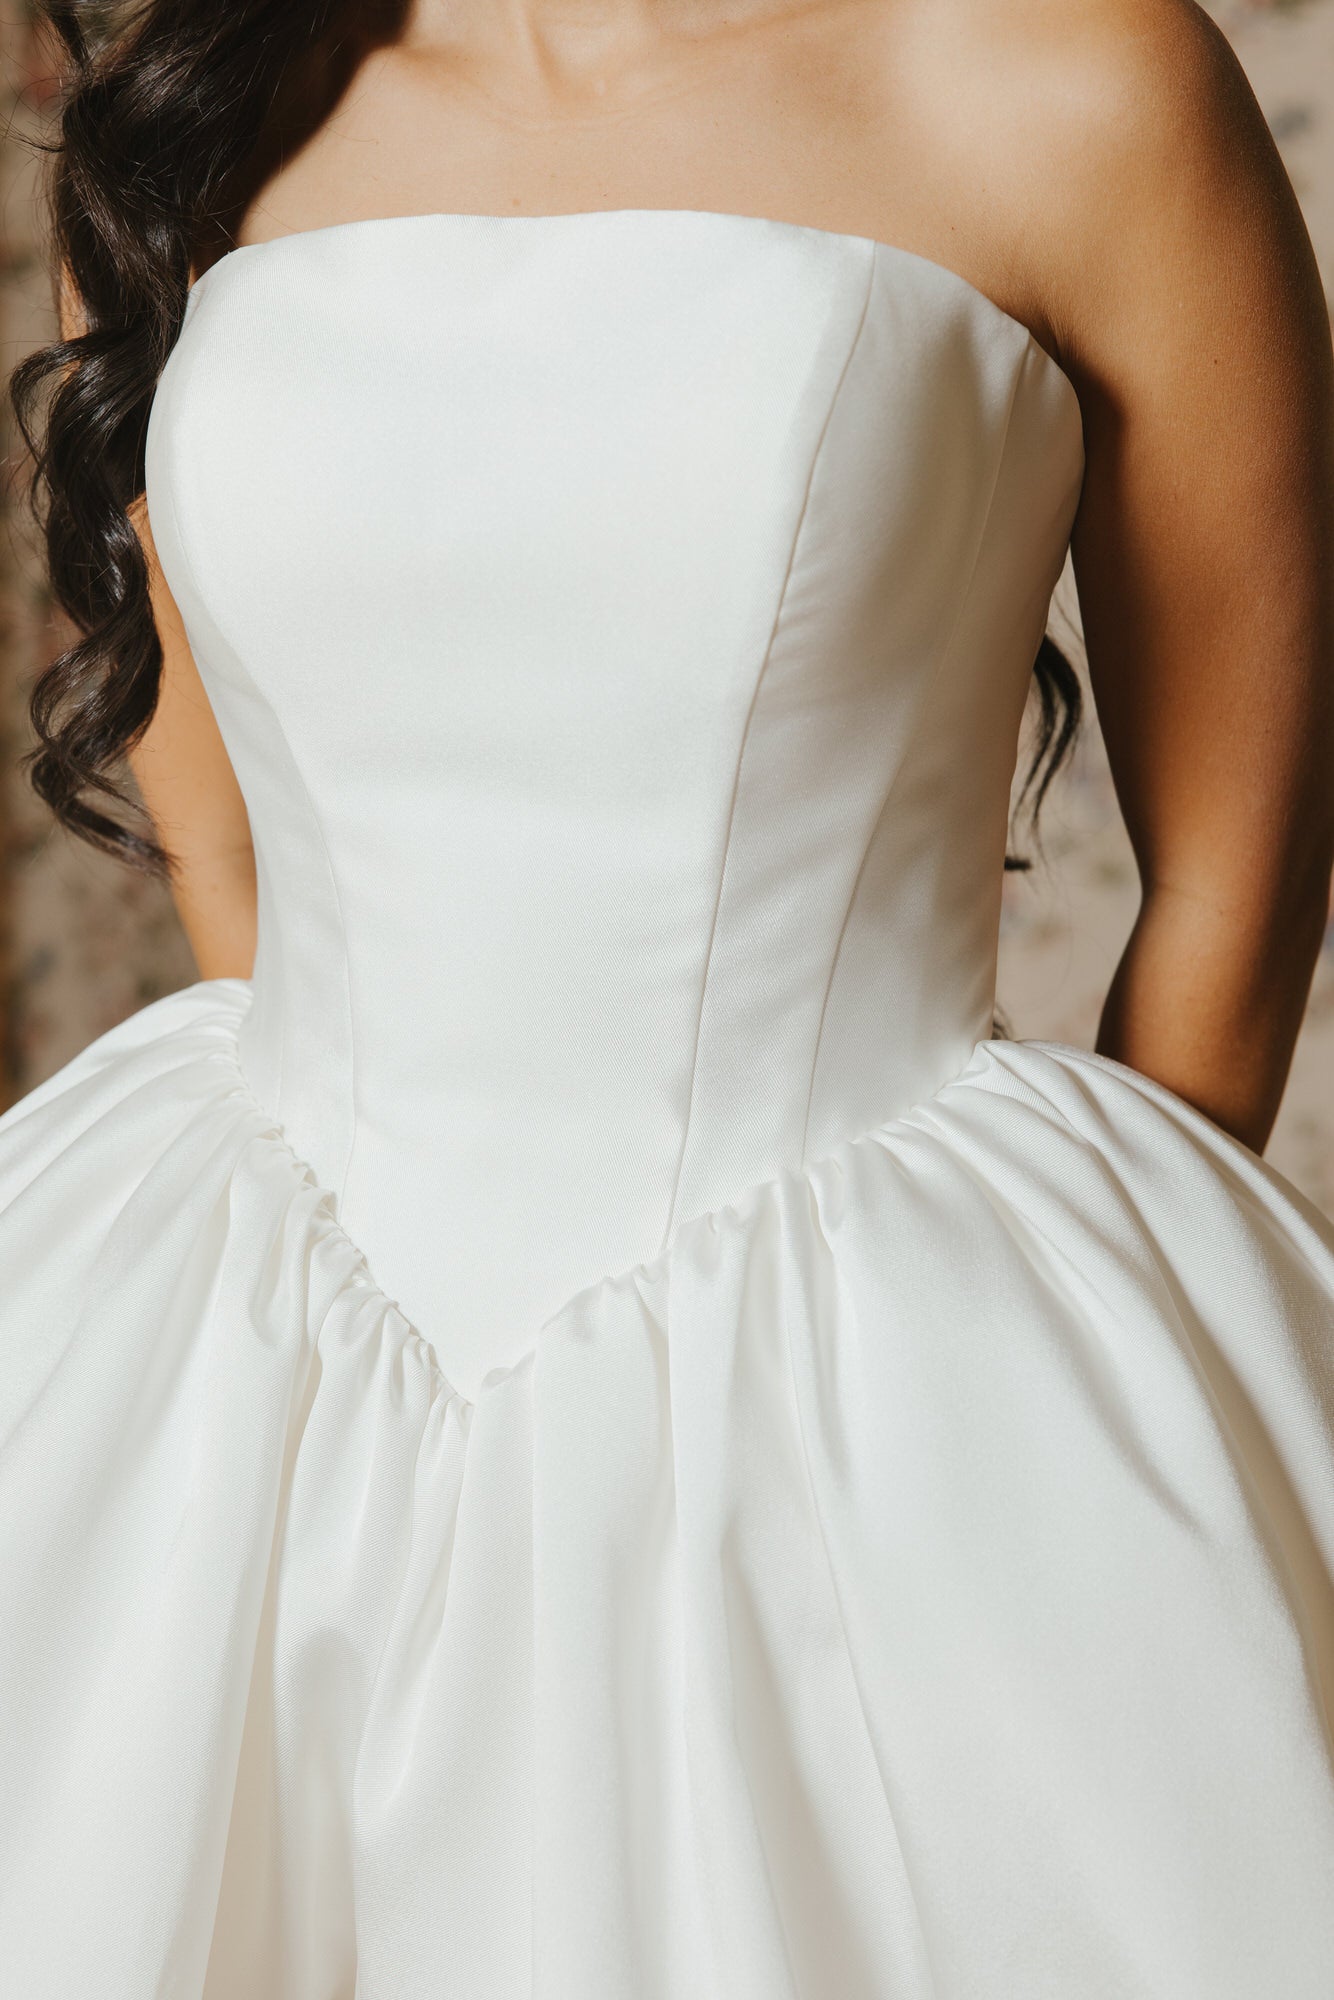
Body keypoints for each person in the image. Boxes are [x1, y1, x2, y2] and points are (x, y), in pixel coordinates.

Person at [3, 0, 1334, 1992]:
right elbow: (242, 869)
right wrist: (375, 1414)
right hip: (250, 1365)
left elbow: (1233, 891)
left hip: (882, 1420)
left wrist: (1025, 1419)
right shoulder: (193, 124)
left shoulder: (1076, 74)